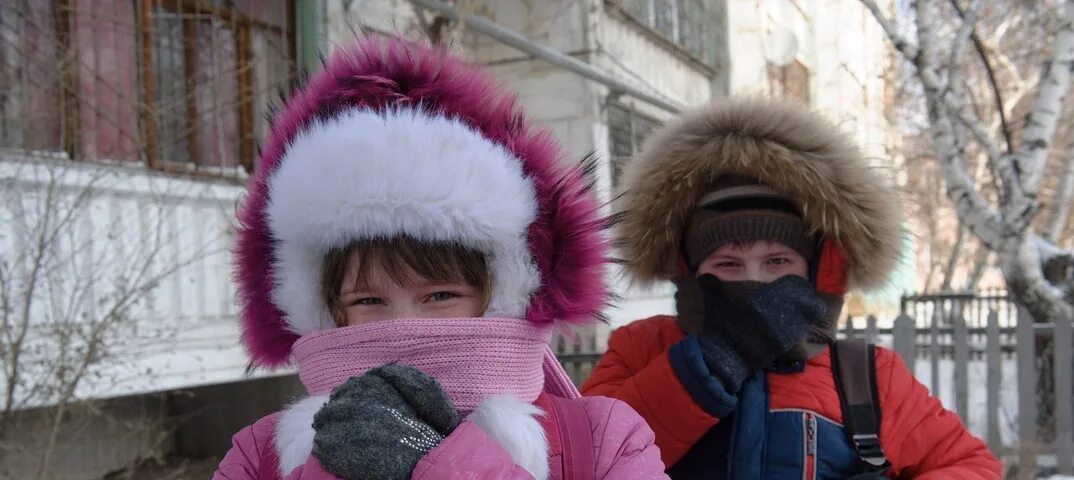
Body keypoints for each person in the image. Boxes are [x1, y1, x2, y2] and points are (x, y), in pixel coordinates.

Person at [213, 38, 667, 480]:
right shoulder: (260, 456)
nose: (403, 325)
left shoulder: (603, 437)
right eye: (369, 300)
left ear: (500, 294)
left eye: (440, 294)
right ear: (329, 311)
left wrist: (446, 464)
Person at [582, 98, 1002, 479]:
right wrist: (712, 361)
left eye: (778, 261)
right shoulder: (640, 349)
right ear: (690, 272)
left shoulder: (866, 376)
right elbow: (581, 462)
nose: (756, 280)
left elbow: (972, 467)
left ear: (817, 270)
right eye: (727, 263)